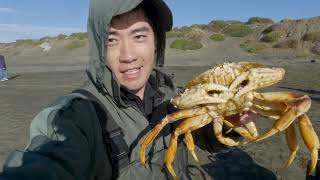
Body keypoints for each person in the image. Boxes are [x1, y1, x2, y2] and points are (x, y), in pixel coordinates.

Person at [0, 0, 277, 180]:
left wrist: (228, 126)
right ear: (98, 49)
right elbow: (45, 161)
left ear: (157, 42)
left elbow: (202, 136)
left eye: (139, 35)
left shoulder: (173, 96)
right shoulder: (75, 116)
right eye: (111, 40)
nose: (128, 55)